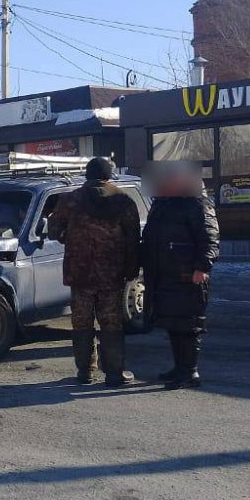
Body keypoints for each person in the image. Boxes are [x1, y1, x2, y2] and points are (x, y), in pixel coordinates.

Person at [48, 157, 141, 386]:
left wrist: (68, 237)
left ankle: (85, 372)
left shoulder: (69, 200)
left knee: (81, 322)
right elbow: (133, 239)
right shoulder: (123, 200)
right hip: (112, 274)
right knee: (111, 323)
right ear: (109, 176)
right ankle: (114, 373)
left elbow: (54, 231)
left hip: (80, 274)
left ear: (87, 175)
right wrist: (131, 268)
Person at [141, 171, 219, 389]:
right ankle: (180, 367)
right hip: (165, 273)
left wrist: (202, 267)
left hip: (187, 274)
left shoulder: (197, 204)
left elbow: (210, 239)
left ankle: (190, 372)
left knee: (189, 324)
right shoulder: (164, 204)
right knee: (173, 323)